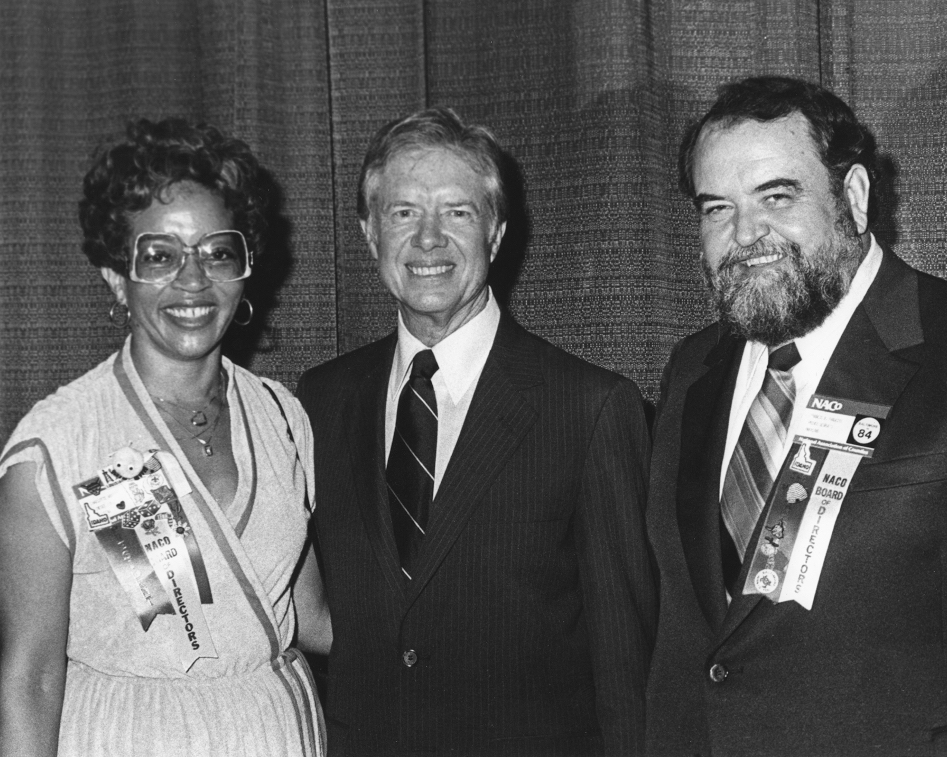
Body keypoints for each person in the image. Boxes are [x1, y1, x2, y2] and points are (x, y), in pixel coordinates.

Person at [296, 106, 656, 756]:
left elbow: (624, 666)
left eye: (457, 212)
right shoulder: (318, 401)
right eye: (404, 212)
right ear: (369, 234)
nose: (428, 239)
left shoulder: (590, 408)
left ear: (494, 234)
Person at [0, 118, 329, 757]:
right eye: (160, 255)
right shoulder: (59, 446)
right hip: (130, 736)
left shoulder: (283, 417)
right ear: (117, 278)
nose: (193, 280)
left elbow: (311, 617)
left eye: (217, 252)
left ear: (247, 269)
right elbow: (30, 677)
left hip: (277, 733)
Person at [646, 75, 947, 756]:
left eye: (775, 197)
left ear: (855, 197)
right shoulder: (692, 370)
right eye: (715, 207)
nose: (744, 234)